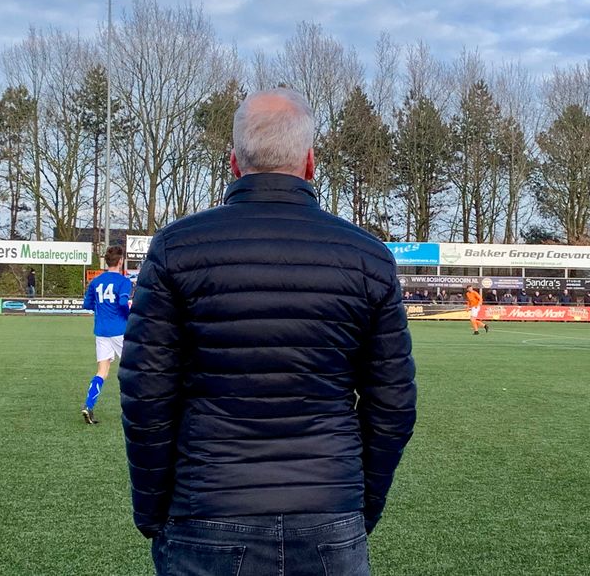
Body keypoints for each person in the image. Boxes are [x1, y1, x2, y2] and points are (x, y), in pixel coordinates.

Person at [120, 88, 416, 575]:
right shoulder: (368, 257)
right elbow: (393, 405)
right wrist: (357, 506)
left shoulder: (176, 248)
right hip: (328, 509)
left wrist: (153, 510)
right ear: (310, 164)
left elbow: (146, 396)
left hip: (207, 508)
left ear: (234, 163)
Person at [79, 247, 133, 425]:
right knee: (133, 370)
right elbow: (123, 303)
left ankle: (88, 405)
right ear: (120, 262)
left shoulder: (95, 282)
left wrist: (102, 309)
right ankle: (135, 410)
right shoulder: (124, 282)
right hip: (119, 331)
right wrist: (129, 312)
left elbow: (87, 304)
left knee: (102, 372)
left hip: (101, 331)